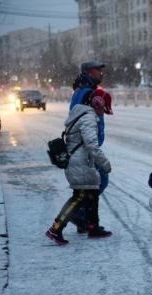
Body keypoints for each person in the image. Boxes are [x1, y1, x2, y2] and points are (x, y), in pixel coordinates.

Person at [45, 88, 114, 245]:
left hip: (81, 162)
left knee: (92, 194)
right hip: (80, 163)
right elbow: (91, 145)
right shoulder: (88, 118)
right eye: (103, 109)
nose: (103, 113)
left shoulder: (83, 115)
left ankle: (93, 227)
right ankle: (55, 228)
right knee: (80, 197)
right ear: (97, 104)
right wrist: (105, 163)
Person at [69, 61, 109, 233]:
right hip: (85, 145)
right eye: (97, 70)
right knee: (97, 182)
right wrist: (91, 142)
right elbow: (84, 118)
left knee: (87, 186)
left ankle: (83, 219)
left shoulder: (83, 90)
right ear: (88, 72)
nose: (101, 73)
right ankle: (80, 216)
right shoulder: (86, 92)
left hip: (84, 144)